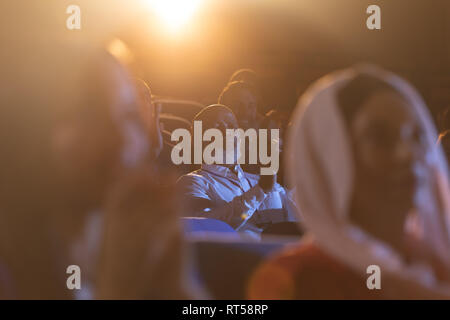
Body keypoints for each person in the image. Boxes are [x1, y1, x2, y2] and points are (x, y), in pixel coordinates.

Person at [0, 43, 199, 299]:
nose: (122, 138)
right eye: (89, 114)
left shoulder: (134, 249)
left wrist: (176, 286)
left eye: (129, 115)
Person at [248, 66, 450, 299]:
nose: (407, 154)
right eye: (379, 138)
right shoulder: (299, 278)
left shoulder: (435, 263)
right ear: (334, 159)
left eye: (416, 136)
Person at [177, 104, 300, 240]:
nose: (225, 131)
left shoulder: (265, 181)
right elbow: (206, 225)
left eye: (231, 126)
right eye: (216, 126)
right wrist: (260, 191)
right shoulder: (193, 182)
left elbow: (302, 219)